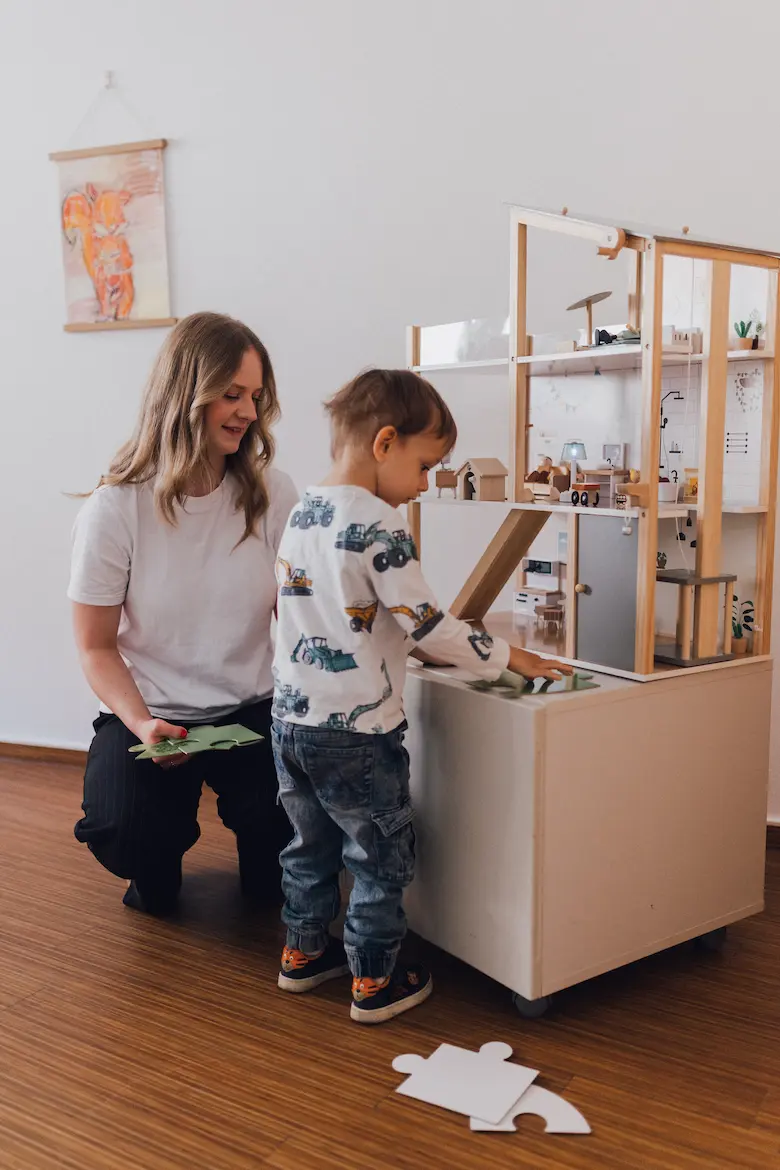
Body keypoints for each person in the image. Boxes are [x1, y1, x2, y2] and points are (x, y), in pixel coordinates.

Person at [271, 368, 572, 1023]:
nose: (424, 486)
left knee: (309, 844)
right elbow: (429, 627)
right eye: (426, 466)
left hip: (289, 721)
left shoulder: (303, 512)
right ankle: (375, 981)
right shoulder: (379, 525)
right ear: (385, 443)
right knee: (379, 856)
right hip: (357, 733)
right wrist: (513, 657)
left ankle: (302, 952)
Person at [68, 312, 298, 915]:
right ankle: (156, 855)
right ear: (185, 393)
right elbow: (95, 646)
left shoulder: (274, 495)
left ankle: (261, 843)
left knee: (279, 865)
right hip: (154, 718)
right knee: (131, 838)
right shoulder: (115, 508)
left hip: (251, 712)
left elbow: (299, 618)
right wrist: (143, 725)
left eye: (255, 396)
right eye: (231, 393)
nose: (248, 411)